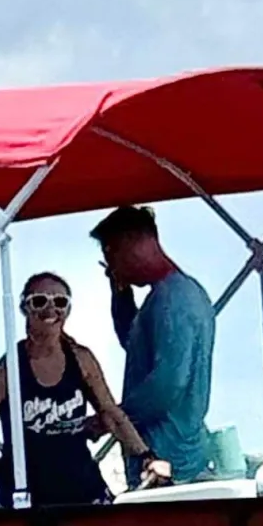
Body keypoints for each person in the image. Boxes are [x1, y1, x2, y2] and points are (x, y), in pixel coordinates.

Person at [0, 273, 168, 510]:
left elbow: (112, 415)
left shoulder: (81, 360)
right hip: (29, 494)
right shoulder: (11, 369)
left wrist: (146, 456)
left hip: (82, 487)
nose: (50, 309)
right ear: (25, 308)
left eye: (60, 302)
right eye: (40, 301)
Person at [94, 203, 215, 483]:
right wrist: (119, 294)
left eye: (110, 255)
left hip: (167, 460)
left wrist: (113, 418)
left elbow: (167, 384)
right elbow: (135, 345)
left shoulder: (174, 300)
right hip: (164, 454)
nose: (111, 266)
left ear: (129, 245)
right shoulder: (164, 297)